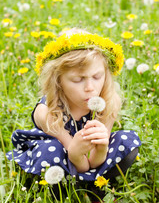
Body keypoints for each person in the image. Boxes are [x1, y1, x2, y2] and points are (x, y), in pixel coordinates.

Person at [6, 29, 141, 183]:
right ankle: (66, 190)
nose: (90, 87)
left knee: (126, 141)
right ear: (58, 81)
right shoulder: (47, 112)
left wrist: (102, 149)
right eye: (78, 80)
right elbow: (79, 162)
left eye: (97, 77)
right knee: (49, 152)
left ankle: (93, 186)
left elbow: (93, 162)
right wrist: (76, 153)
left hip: (93, 159)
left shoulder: (109, 102)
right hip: (61, 157)